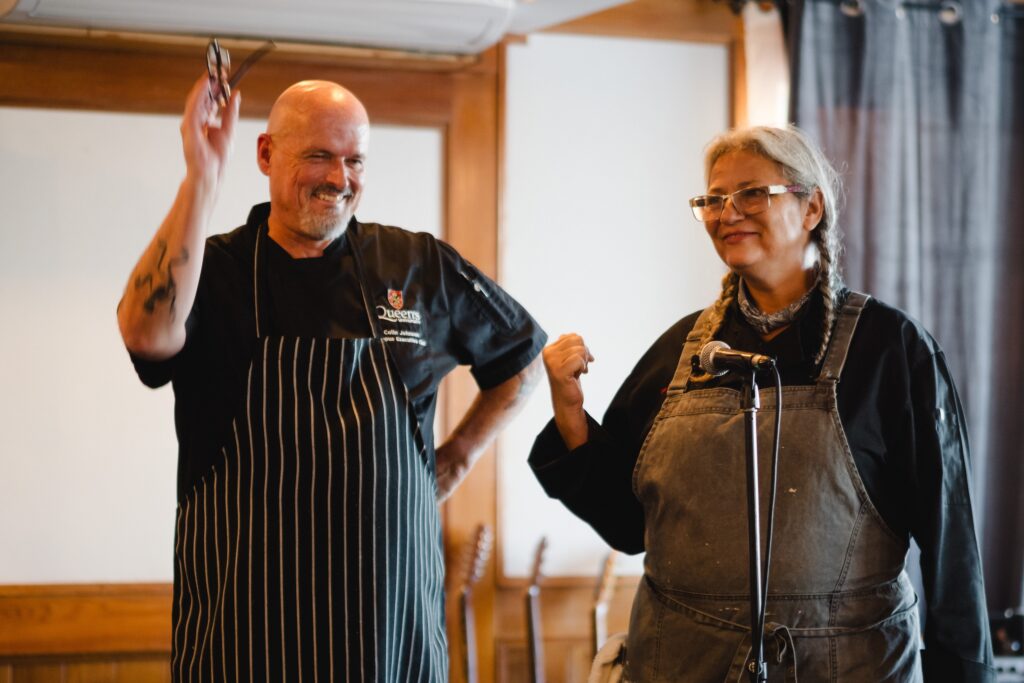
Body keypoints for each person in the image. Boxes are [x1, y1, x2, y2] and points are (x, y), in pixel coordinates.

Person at [117, 72, 545, 682]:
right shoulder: (214, 270)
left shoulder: (417, 264)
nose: (339, 179)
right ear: (266, 154)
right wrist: (201, 176)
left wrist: (459, 455)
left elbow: (523, 357)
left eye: (355, 161)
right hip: (245, 642)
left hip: (392, 639)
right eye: (319, 155)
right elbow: (143, 334)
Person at [531, 125, 994, 682]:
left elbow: (951, 540)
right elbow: (630, 529)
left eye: (752, 193)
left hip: (848, 666)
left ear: (811, 208)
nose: (727, 213)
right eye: (713, 200)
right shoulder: (681, 352)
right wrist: (569, 410)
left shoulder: (890, 348)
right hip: (680, 662)